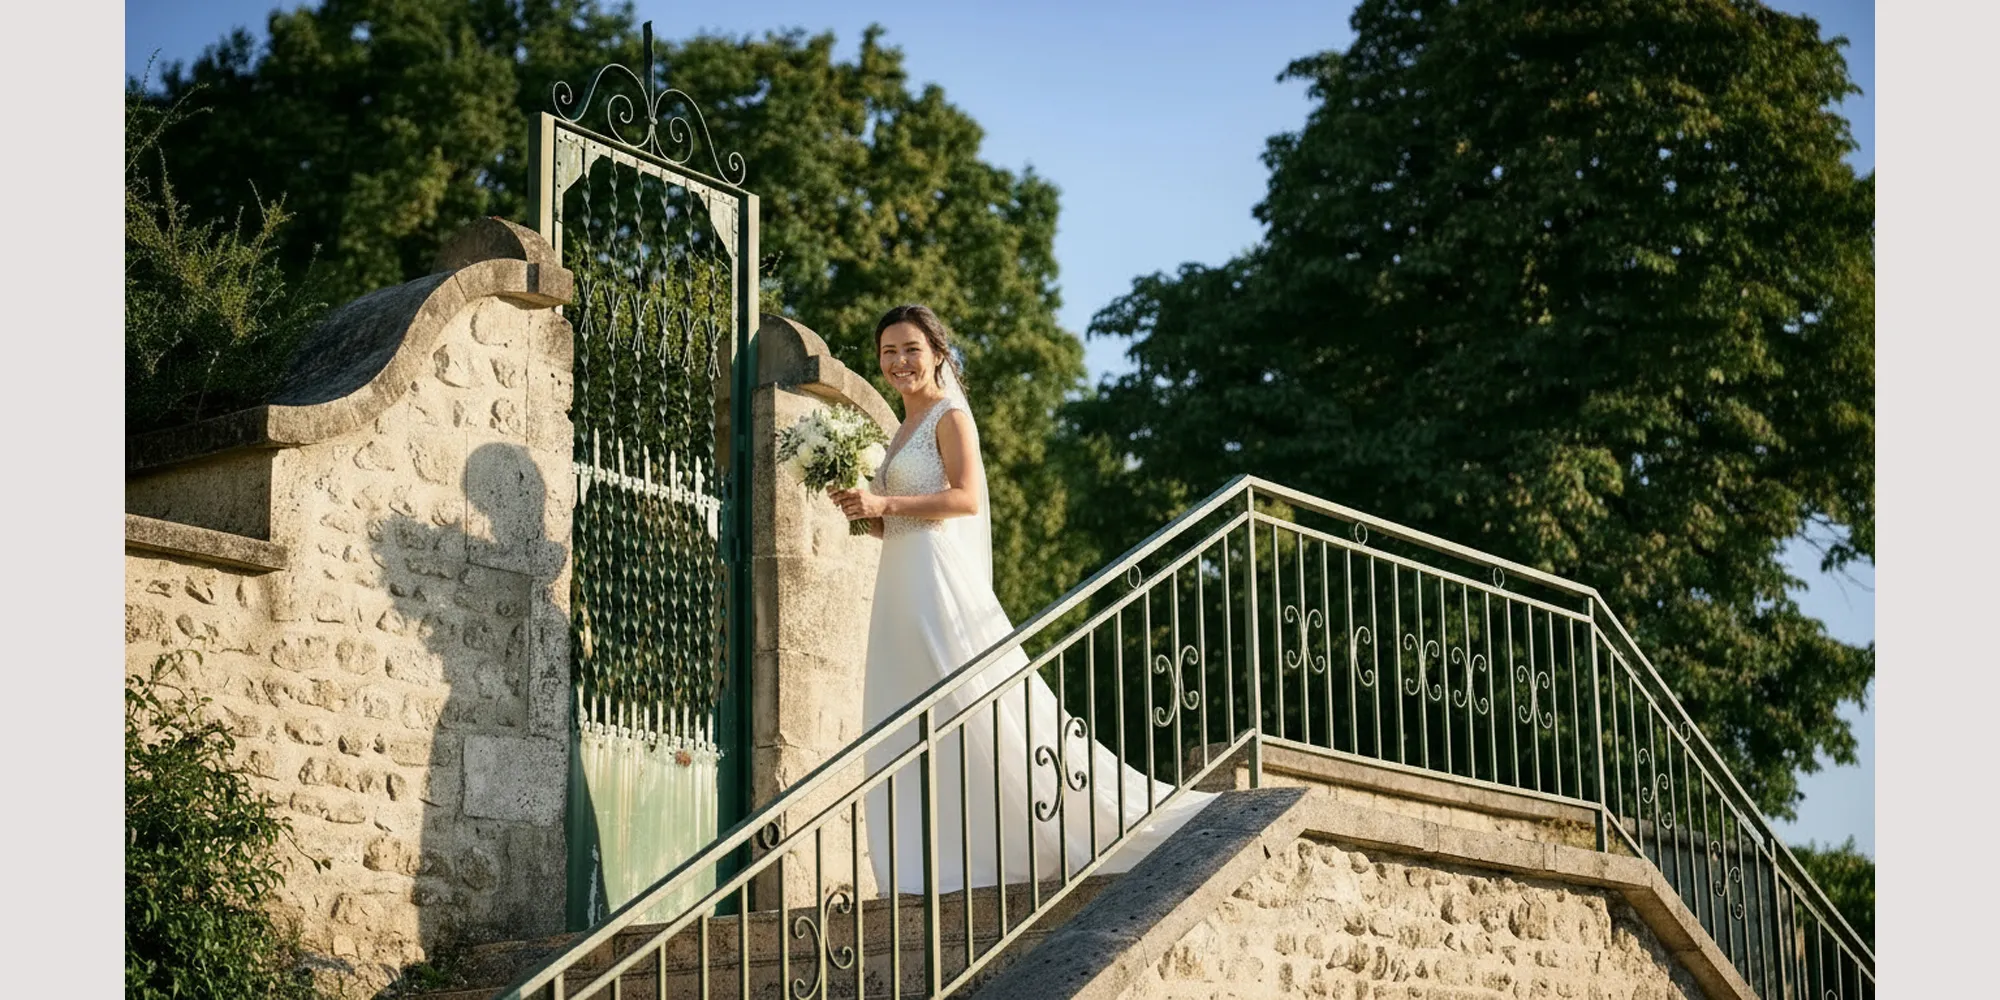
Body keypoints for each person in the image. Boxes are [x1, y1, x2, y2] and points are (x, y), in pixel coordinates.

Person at [828, 304, 1214, 896]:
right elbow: (894, 524)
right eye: (888, 351)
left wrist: (886, 505)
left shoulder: (949, 417)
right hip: (897, 586)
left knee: (975, 705)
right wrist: (863, 512)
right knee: (905, 718)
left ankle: (1068, 829)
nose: (899, 361)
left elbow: (965, 499)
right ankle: (927, 868)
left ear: (937, 354)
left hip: (935, 584)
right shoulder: (899, 430)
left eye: (910, 349)